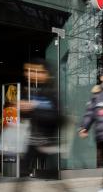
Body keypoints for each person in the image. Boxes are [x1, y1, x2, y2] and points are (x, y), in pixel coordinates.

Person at [19, 58, 68, 190]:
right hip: (33, 140)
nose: (30, 74)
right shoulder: (32, 90)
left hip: (47, 141)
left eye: (36, 71)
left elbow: (59, 117)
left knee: (52, 178)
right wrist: (23, 109)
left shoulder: (52, 91)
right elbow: (28, 115)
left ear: (45, 73)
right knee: (22, 172)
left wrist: (34, 108)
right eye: (28, 71)